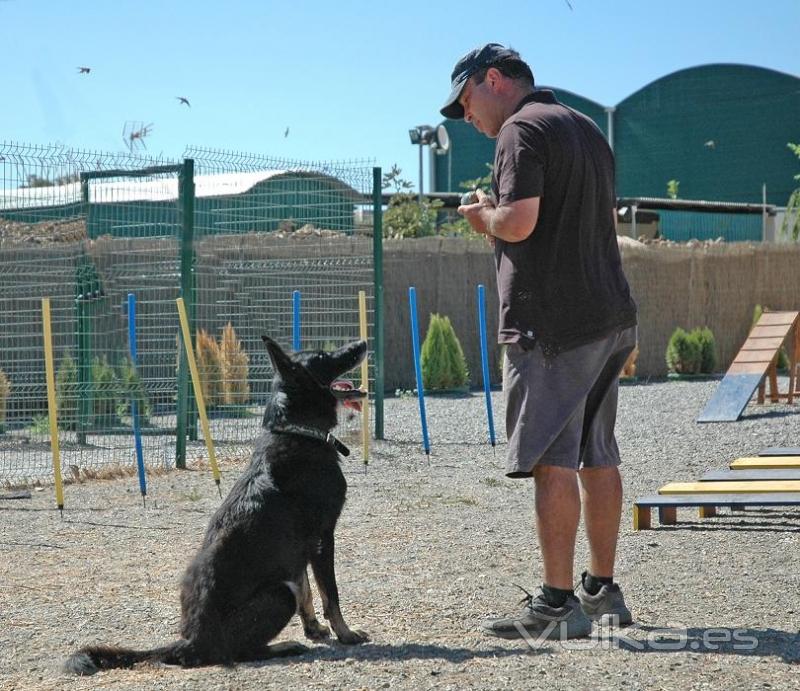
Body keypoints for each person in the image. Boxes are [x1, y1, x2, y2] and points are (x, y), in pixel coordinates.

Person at [441, 43, 638, 640]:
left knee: (553, 460)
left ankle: (556, 605)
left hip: (551, 324)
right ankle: (603, 591)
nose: (466, 118)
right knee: (597, 455)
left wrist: (484, 217)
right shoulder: (583, 128)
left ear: (492, 80)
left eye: (465, 102)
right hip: (610, 315)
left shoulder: (520, 132)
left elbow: (520, 222)